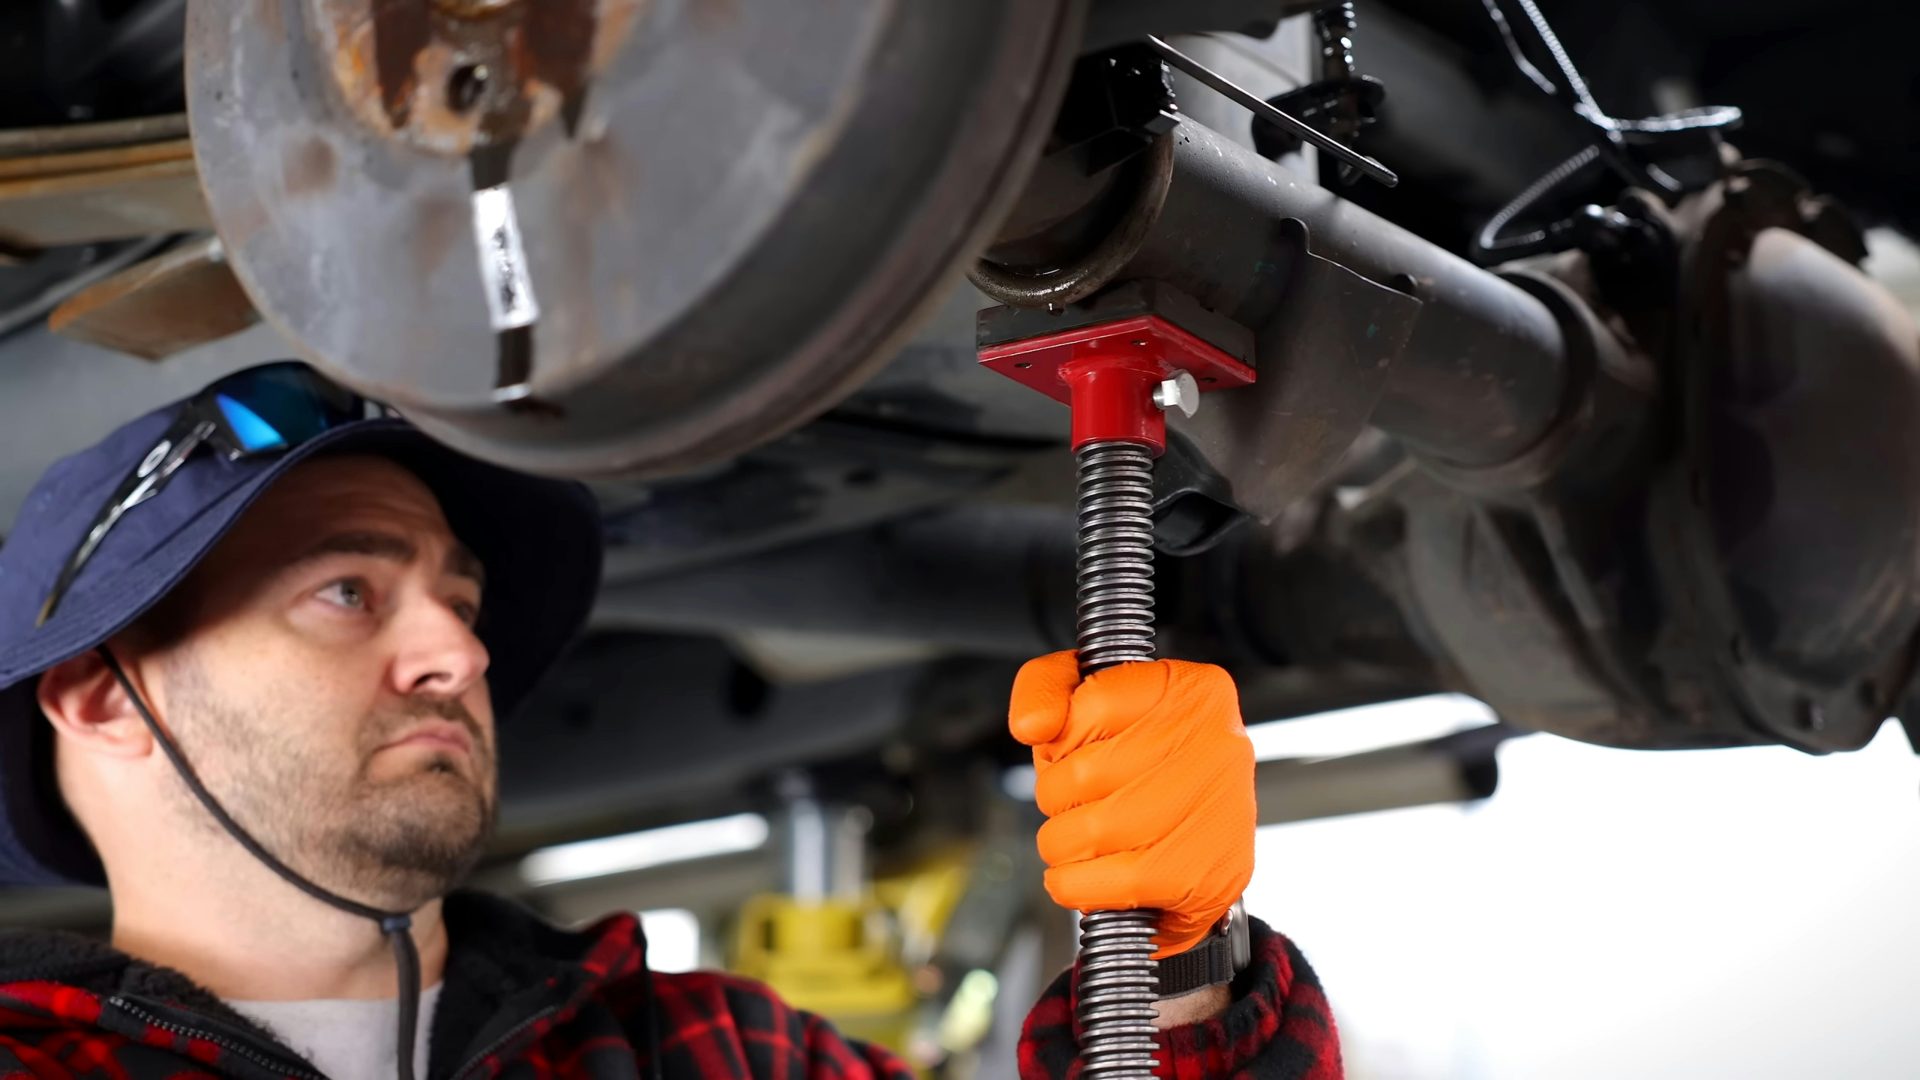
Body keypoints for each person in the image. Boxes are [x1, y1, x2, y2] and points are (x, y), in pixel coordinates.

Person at [0, 362, 1340, 1078]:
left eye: (458, 598)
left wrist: (1180, 972)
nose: (457, 647)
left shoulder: (706, 1057)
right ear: (104, 697)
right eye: (347, 592)